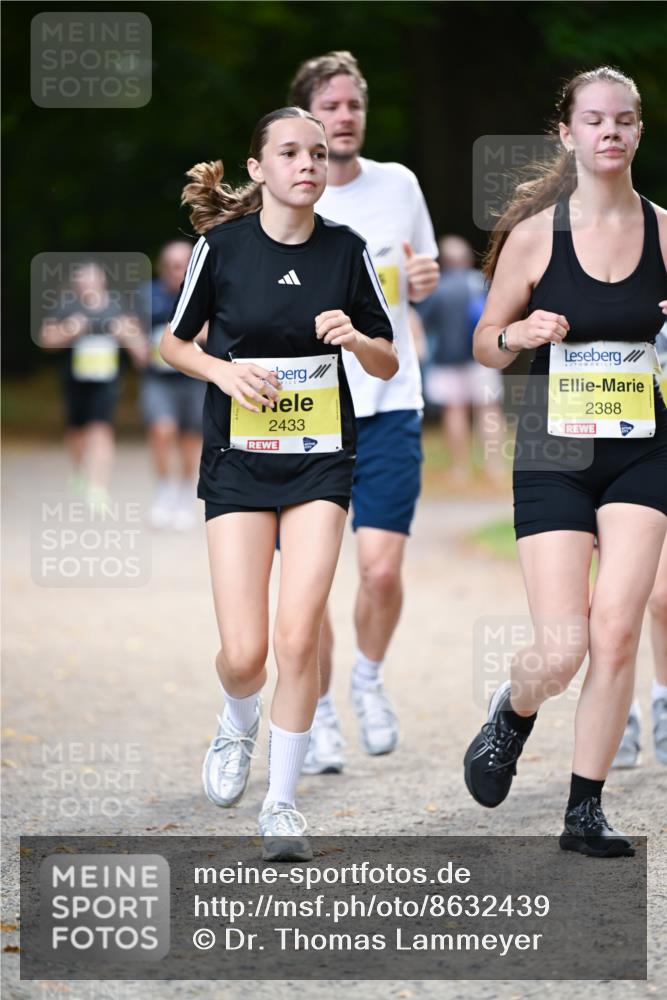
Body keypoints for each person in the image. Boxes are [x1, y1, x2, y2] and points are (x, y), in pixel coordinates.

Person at [159, 107, 397, 859]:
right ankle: (237, 721)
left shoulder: (345, 250)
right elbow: (173, 344)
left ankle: (282, 805)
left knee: (298, 638)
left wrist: (355, 339)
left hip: (321, 462)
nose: (308, 165)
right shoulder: (222, 248)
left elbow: (388, 357)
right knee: (245, 655)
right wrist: (222, 371)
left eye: (318, 154)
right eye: (290, 153)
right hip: (238, 461)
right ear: (258, 169)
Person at [462, 67, 667, 857]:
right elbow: (484, 343)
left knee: (615, 630)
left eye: (623, 119)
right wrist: (515, 335)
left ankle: (584, 810)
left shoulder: (663, 231)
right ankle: (512, 712)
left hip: (641, 451)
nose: (609, 130)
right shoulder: (533, 236)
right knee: (562, 649)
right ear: (567, 133)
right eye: (594, 119)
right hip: (554, 452)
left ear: (638, 131)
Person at [287, 51, 439, 774]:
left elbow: (420, 275)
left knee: (378, 571)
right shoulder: (285, 196)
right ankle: (317, 710)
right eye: (330, 106)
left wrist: (424, 280)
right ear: (305, 117)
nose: (344, 117)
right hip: (308, 412)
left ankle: (367, 681)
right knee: (310, 583)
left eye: (353, 105)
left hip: (389, 402)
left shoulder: (399, 184)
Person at [39, 261, 145, 506]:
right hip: (74, 379)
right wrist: (68, 331)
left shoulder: (118, 306)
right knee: (76, 431)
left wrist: (125, 334)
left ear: (102, 280)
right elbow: (46, 340)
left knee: (100, 428)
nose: (85, 284)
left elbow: (140, 348)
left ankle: (98, 486)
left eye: (90, 278)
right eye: (81, 279)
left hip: (107, 381)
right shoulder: (66, 306)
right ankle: (79, 470)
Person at [418, 235, 504, 484]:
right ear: (467, 259)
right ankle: (495, 466)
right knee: (489, 409)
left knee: (454, 410)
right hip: (482, 359)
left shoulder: (437, 289)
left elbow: (423, 324)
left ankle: (460, 469)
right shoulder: (481, 284)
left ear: (443, 261)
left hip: (446, 360)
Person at [138, 240, 207, 530]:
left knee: (191, 438)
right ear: (162, 267)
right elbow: (131, 326)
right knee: (162, 429)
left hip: (194, 377)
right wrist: (137, 346)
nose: (176, 270)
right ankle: (164, 489)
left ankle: (184, 495)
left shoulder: (204, 292)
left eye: (181, 264)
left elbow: (216, 327)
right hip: (158, 379)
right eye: (171, 265)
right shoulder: (147, 295)